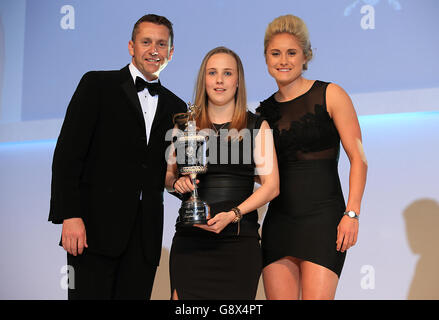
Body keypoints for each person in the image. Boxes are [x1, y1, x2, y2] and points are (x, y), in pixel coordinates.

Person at [48, 14, 187, 299]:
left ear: (171, 52)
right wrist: (70, 215)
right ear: (131, 46)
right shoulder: (97, 85)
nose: (154, 50)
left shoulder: (177, 106)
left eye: (162, 44)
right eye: (146, 42)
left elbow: (169, 170)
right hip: (92, 230)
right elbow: (67, 154)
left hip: (144, 239)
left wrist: (187, 184)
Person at [257, 14, 368, 300]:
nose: (283, 60)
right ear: (266, 58)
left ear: (306, 56)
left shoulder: (331, 94)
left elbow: (359, 158)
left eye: (291, 53)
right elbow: (263, 174)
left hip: (324, 221)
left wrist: (352, 214)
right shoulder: (263, 112)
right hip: (279, 224)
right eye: (275, 53)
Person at [165, 46, 279, 300]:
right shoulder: (184, 125)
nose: (219, 80)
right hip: (190, 242)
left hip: (238, 243)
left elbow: (272, 186)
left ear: (237, 81)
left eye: (227, 73)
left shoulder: (257, 126)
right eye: (212, 72)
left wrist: (234, 214)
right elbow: (168, 177)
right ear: (203, 79)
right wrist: (177, 182)